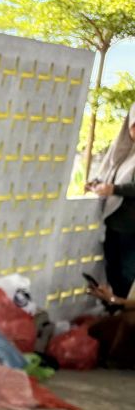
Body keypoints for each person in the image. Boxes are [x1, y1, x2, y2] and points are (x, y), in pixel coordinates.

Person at [87, 103, 135, 301]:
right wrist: (98, 183)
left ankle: (123, 322)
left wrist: (114, 189)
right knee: (113, 273)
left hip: (132, 229)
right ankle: (115, 318)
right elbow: (111, 174)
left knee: (126, 277)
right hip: (115, 224)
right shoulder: (126, 153)